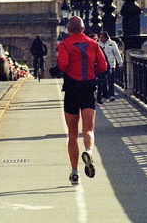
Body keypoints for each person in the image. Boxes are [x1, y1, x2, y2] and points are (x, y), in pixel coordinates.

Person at [58, 16, 107, 185]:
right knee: (89, 129)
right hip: (88, 89)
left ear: (68, 29)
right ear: (83, 29)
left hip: (71, 89)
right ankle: (89, 151)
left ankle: (75, 173)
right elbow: (103, 67)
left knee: (72, 134)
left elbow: (63, 65)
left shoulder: (64, 44)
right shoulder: (93, 44)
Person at [98, 31, 123, 101]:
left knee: (110, 80)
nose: (101, 39)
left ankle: (111, 94)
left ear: (106, 37)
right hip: (101, 65)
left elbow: (117, 54)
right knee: (103, 81)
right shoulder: (98, 44)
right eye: (100, 37)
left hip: (111, 65)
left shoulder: (112, 44)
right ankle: (104, 95)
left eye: (102, 37)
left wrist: (120, 63)